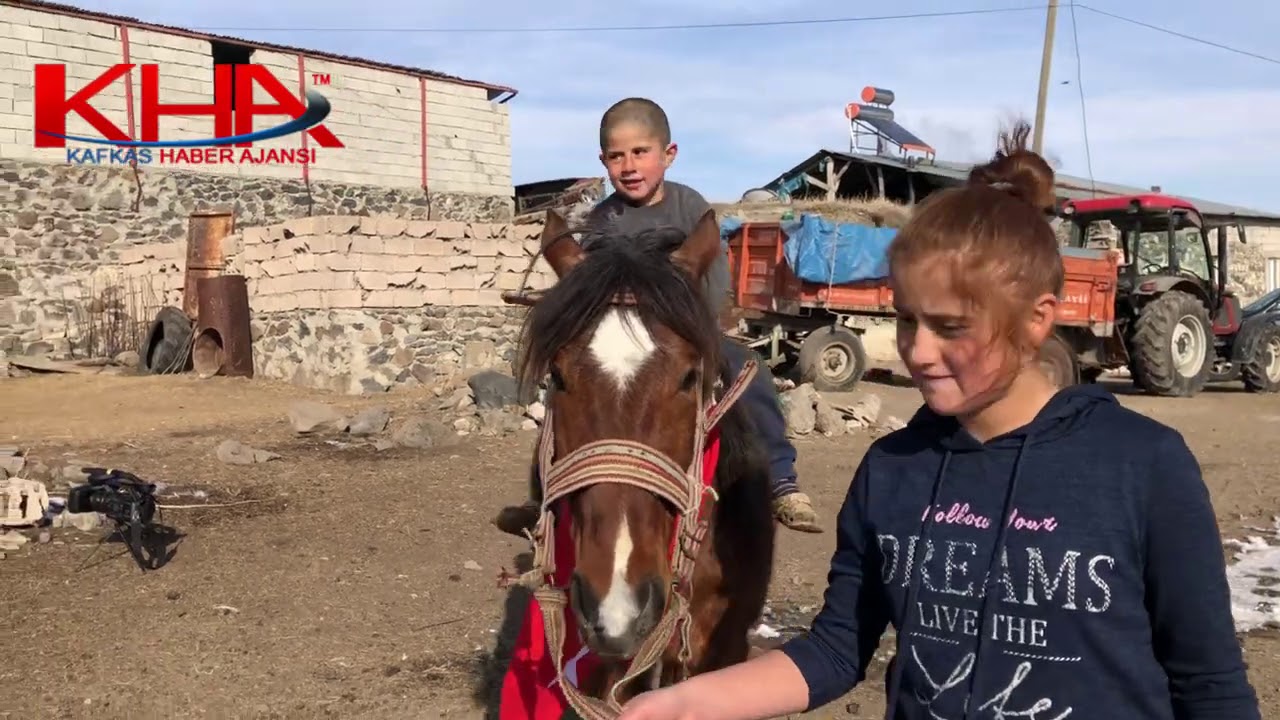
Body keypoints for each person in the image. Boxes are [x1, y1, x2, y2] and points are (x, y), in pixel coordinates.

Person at [616, 121, 1261, 720]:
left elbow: (1209, 683)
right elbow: (838, 651)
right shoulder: (891, 470)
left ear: (1038, 319)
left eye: (950, 328)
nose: (917, 352)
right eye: (905, 321)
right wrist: (681, 705)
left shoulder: (1144, 466)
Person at [493, 96, 822, 535]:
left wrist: (684, 325)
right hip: (619, 337)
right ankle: (546, 499)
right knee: (565, 395)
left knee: (749, 369)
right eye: (616, 156)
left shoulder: (690, 208)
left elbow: (712, 280)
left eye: (640, 152)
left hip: (681, 332)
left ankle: (782, 481)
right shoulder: (601, 220)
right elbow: (586, 288)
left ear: (668, 155)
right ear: (603, 161)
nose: (628, 166)